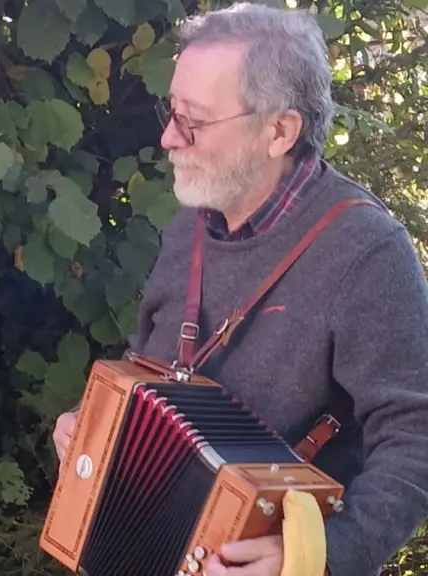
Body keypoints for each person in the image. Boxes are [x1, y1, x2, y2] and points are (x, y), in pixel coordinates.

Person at [51, 4, 428, 576]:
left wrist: (320, 555)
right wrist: (94, 421)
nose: (168, 137)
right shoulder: (190, 225)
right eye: (171, 112)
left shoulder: (368, 251)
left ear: (279, 131)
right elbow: (150, 369)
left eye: (194, 122)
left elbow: (416, 439)